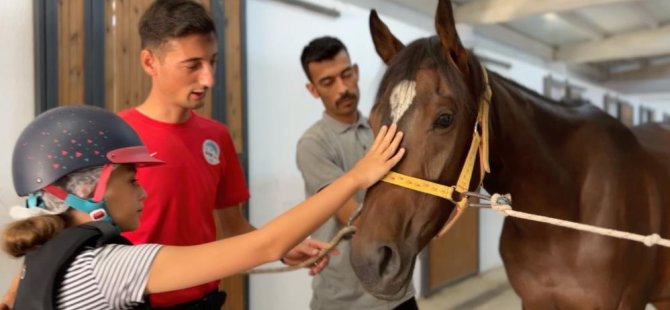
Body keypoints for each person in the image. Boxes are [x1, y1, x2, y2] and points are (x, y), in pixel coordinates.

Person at [1, 105, 404, 309]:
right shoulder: (107, 267)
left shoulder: (40, 258)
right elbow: (263, 246)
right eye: (131, 179)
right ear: (89, 190)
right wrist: (357, 177)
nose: (143, 192)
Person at [118, 0, 332, 307]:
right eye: (192, 65)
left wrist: (285, 248)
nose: (208, 79)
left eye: (212, 62)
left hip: (206, 301)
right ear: (150, 62)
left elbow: (233, 227)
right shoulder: (115, 138)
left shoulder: (216, 138)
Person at [296, 36, 418, 309]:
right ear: (313, 89)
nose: (343, 88)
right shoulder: (313, 144)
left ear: (357, 72)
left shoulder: (385, 130)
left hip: (398, 291)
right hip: (345, 300)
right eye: (328, 82)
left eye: (346, 75)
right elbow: (351, 215)